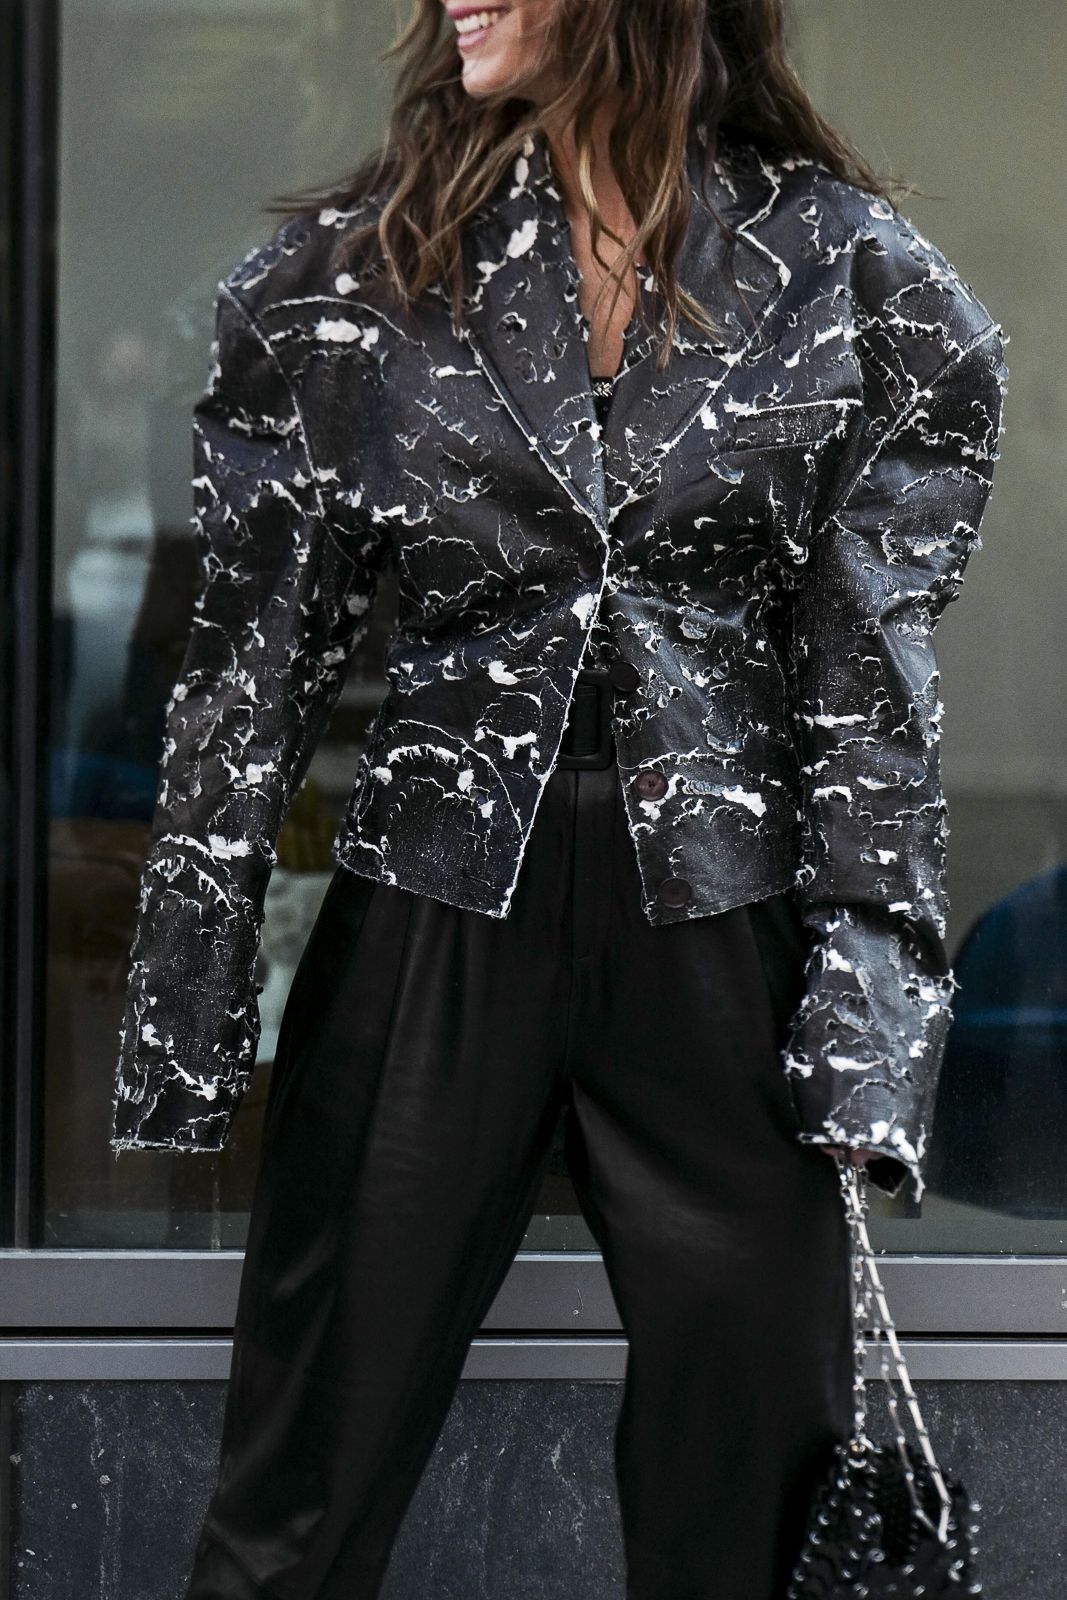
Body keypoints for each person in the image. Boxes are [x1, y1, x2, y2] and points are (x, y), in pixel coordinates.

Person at [109, 1, 1007, 1596]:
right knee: (299, 1497)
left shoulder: (845, 275)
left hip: (724, 931)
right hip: (431, 916)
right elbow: (244, 684)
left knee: (748, 1494)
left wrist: (866, 1021)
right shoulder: (356, 279)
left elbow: (870, 691)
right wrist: (189, 1016)